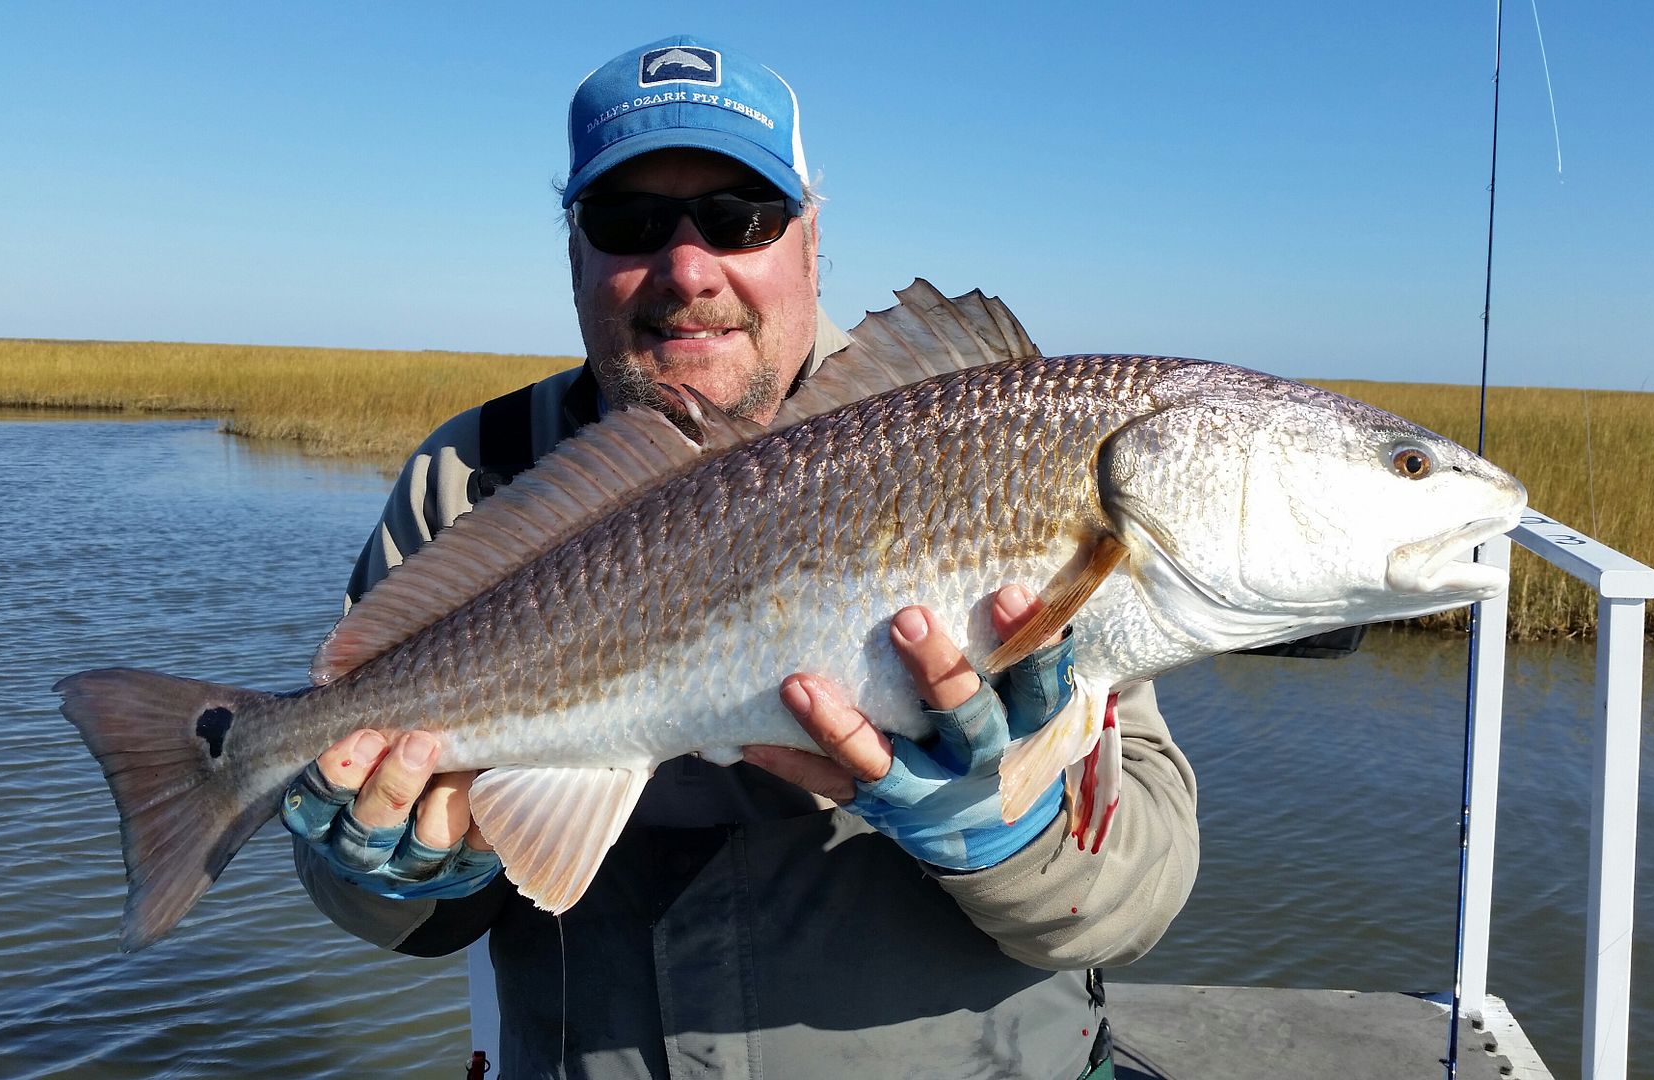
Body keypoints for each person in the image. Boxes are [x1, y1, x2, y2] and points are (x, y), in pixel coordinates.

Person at [283, 35, 1199, 1079]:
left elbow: (1133, 899)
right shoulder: (468, 478)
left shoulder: (999, 449)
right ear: (574, 251)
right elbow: (400, 902)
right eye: (627, 223)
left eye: (740, 218)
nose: (686, 268)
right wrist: (375, 871)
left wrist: (1011, 836)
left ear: (810, 241)